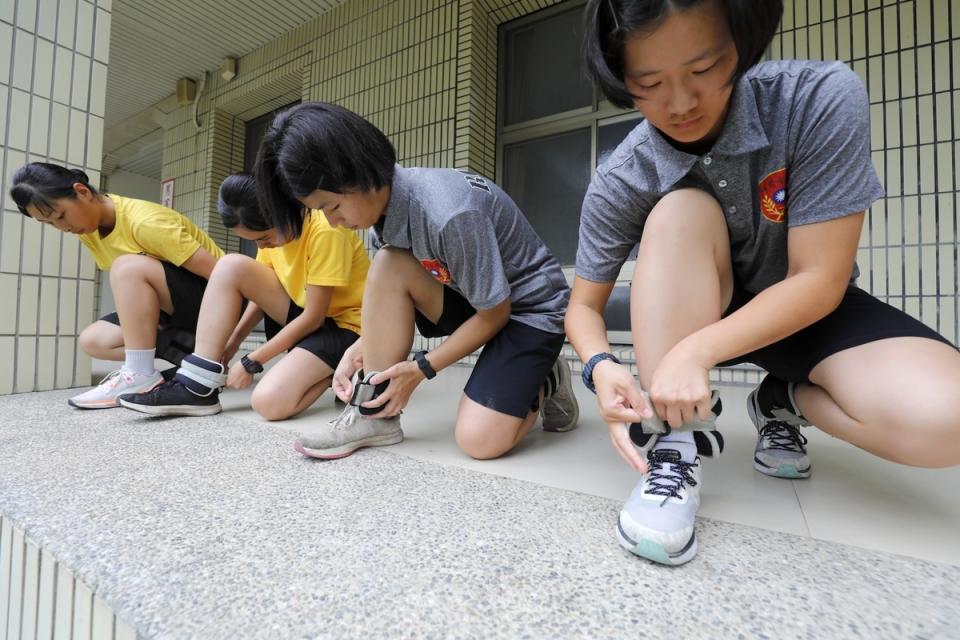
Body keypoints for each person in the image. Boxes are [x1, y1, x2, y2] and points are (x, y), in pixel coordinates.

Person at [568, 0, 960, 565]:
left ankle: (780, 400)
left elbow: (821, 279)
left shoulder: (816, 97)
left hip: (807, 305)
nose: (680, 104)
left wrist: (697, 351)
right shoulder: (624, 173)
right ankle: (675, 449)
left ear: (742, 44)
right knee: (679, 211)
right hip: (698, 302)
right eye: (648, 82)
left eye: (703, 70)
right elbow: (583, 307)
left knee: (944, 420)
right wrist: (599, 366)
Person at [254, 101, 579, 460]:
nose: (334, 223)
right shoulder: (385, 213)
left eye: (332, 207)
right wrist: (359, 349)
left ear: (358, 172)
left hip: (527, 312)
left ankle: (545, 377)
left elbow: (496, 313)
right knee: (389, 263)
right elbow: (400, 296)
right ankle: (374, 416)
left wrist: (420, 369)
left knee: (479, 442)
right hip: (475, 299)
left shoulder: (449, 213)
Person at [117, 173, 368, 420]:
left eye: (263, 238)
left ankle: (336, 370)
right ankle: (197, 383)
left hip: (345, 329)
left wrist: (252, 361)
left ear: (281, 213)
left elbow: (314, 317)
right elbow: (258, 295)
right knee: (230, 265)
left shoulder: (325, 231)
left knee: (268, 404)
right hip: (304, 318)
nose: (261, 247)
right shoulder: (277, 235)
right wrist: (231, 346)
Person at [10, 162, 224, 408]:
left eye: (60, 216)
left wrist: (227, 341)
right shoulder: (89, 231)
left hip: (212, 303)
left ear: (82, 191)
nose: (62, 227)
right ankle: (185, 358)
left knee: (127, 267)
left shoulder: (144, 222)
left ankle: (141, 374)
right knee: (95, 340)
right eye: (48, 223)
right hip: (176, 311)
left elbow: (223, 276)